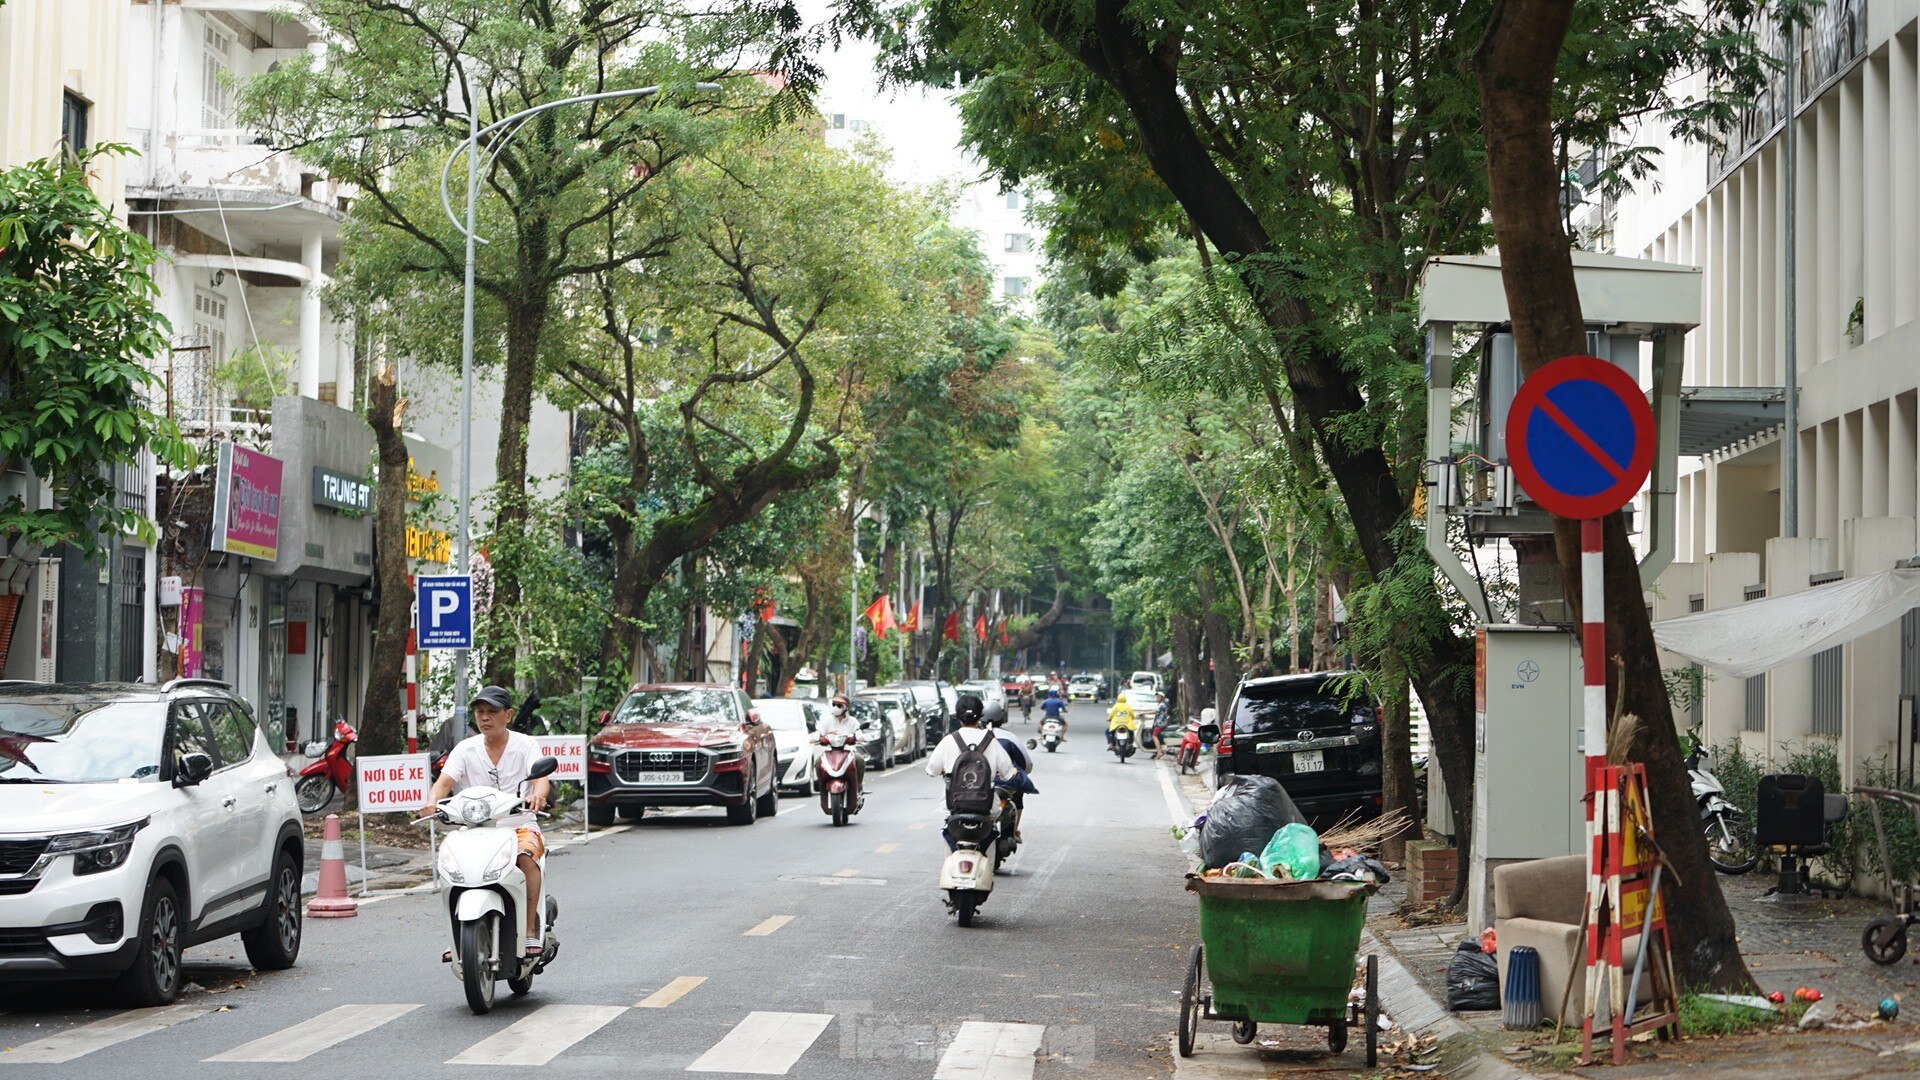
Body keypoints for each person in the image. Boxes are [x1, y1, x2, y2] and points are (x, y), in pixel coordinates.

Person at [420, 685, 552, 955]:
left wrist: (538, 797)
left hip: (519, 825)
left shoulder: (525, 745)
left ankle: (528, 931)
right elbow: (444, 783)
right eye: (480, 712)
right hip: (475, 829)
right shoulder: (465, 749)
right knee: (452, 866)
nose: (485, 718)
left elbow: (541, 779)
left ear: (508, 715)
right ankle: (457, 935)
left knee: (527, 858)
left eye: (492, 712)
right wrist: (432, 802)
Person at [925, 693, 1017, 850]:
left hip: (952, 808)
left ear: (958, 717)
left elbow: (932, 770)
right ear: (980, 715)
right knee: (992, 831)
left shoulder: (948, 741)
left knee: (948, 836)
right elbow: (1009, 774)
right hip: (987, 809)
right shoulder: (991, 741)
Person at [817, 692, 866, 799]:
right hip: (830, 752)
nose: (835, 707)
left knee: (860, 760)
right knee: (818, 762)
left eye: (839, 705)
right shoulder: (827, 721)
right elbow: (819, 732)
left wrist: (859, 737)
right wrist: (815, 737)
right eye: (834, 704)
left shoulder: (852, 721)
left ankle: (859, 785)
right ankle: (821, 787)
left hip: (849, 752)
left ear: (846, 708)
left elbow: (858, 731)